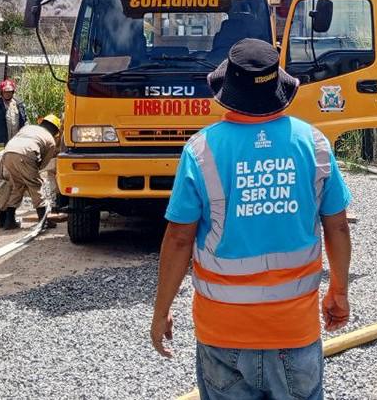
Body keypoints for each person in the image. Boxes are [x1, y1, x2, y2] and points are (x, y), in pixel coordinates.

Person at [150, 39, 353, 400]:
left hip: (222, 334)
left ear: (228, 90)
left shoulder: (201, 150)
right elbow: (336, 226)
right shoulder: (315, 144)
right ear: (278, 89)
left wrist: (162, 311)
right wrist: (338, 292)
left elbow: (179, 239)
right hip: (295, 332)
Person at [0, 114, 63, 230]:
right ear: (55, 130)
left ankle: (10, 220)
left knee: (17, 186)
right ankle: (43, 220)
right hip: (26, 155)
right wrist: (32, 174)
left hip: (7, 153)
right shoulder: (50, 140)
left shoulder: (28, 128)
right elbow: (43, 164)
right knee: (36, 185)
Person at [0, 78, 28, 154]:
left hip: (16, 142)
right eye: (5, 92)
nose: (8, 94)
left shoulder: (19, 105)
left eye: (10, 92)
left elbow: (24, 120)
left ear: (13, 92)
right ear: (1, 92)